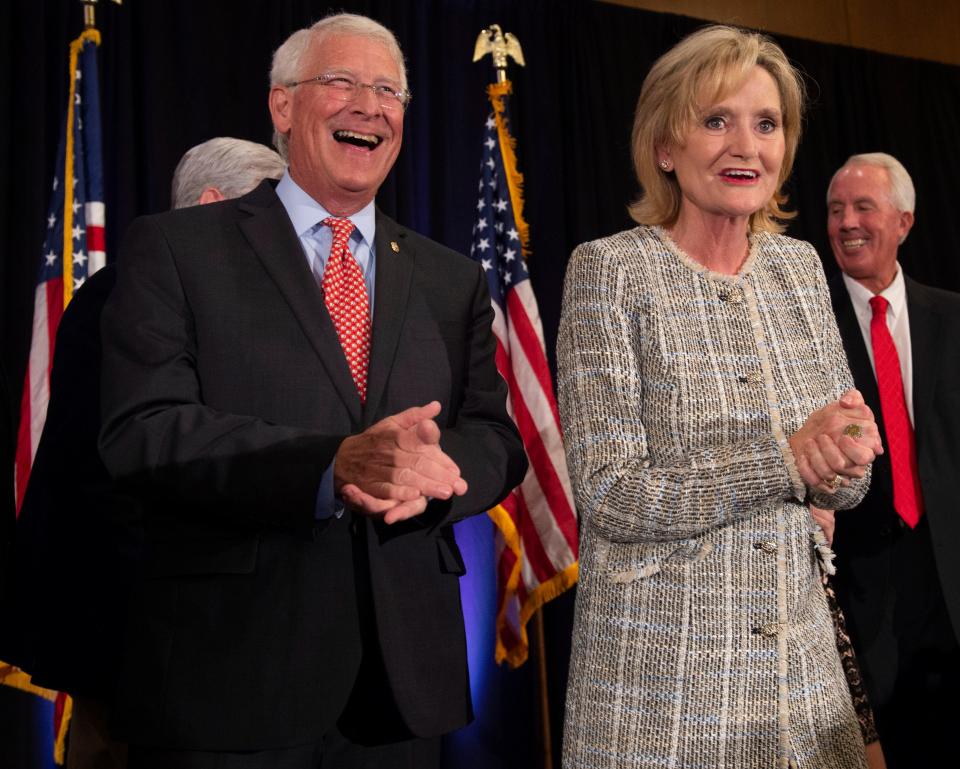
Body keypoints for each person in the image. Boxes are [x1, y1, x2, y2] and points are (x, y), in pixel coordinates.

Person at [98, 13, 526, 769]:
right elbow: (145, 431)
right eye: (341, 82)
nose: (368, 104)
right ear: (283, 107)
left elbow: (496, 439)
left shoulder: (447, 278)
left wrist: (434, 474)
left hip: (398, 691)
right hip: (230, 681)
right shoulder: (176, 248)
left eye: (387, 89)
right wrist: (334, 466)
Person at [557, 25, 882, 768]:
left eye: (766, 124)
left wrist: (846, 453)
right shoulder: (610, 272)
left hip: (801, 688)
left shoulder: (798, 269)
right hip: (660, 690)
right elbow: (611, 495)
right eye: (716, 120)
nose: (747, 146)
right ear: (665, 146)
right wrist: (788, 459)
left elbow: (849, 480)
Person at [0, 137, 286, 769]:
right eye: (267, 209)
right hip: (128, 614)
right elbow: (135, 467)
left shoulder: (144, 289)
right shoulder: (137, 298)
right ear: (212, 204)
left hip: (152, 619)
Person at [825, 152, 960, 769]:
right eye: (834, 210)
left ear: (903, 221)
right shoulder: (807, 325)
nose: (846, 222)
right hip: (857, 595)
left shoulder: (952, 317)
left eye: (862, 207)